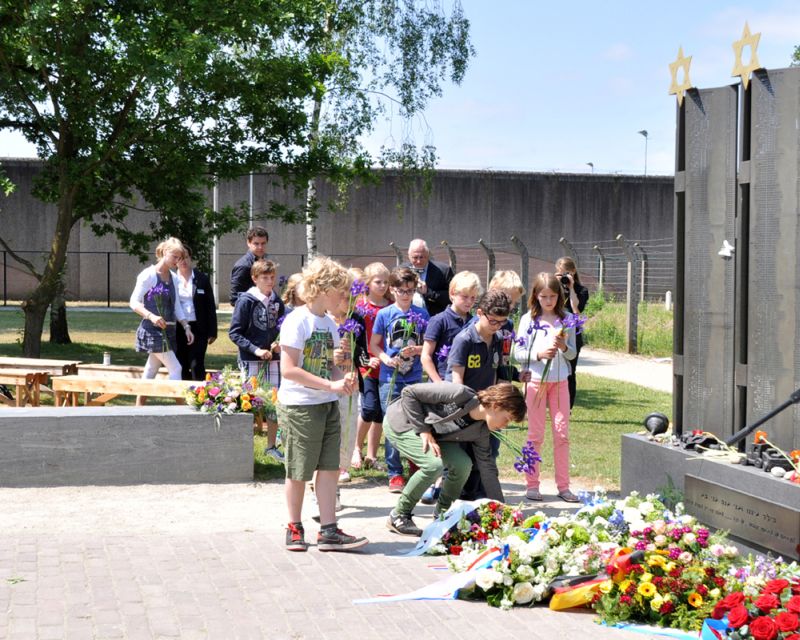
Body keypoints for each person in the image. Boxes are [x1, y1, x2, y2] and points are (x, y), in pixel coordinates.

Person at [278, 256, 367, 552]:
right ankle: (294, 527)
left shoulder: (329, 323)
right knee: (299, 470)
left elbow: (329, 366)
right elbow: (288, 369)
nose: (344, 297)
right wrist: (331, 384)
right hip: (300, 406)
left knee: (329, 467)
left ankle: (328, 530)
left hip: (327, 403)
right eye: (340, 291)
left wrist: (343, 378)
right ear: (322, 289)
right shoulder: (296, 320)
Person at [384, 381, 526, 536]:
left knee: (463, 464)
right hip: (404, 422)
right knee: (433, 465)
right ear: (496, 406)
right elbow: (409, 393)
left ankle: (443, 516)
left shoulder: (481, 431)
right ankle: (399, 515)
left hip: (433, 435)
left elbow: (488, 469)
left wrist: (502, 511)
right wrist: (423, 430)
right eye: (506, 419)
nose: (505, 426)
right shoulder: (459, 393)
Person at [447, 289, 528, 500]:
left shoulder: (499, 338)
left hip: (490, 410)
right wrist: (471, 408)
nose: (497, 327)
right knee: (464, 461)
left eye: (502, 322)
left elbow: (500, 370)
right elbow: (456, 381)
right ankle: (456, 502)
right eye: (493, 321)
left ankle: (484, 502)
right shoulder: (464, 340)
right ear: (480, 312)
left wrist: (506, 391)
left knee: (486, 457)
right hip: (466, 412)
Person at [512, 272, 578, 503]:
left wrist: (563, 347)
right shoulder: (528, 320)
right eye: (544, 296)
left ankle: (563, 485)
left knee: (562, 434)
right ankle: (532, 484)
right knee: (535, 434)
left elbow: (572, 354)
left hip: (560, 382)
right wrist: (538, 355)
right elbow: (516, 354)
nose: (548, 301)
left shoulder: (567, 318)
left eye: (552, 296)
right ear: (536, 296)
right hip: (536, 382)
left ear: (559, 296)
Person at [369, 267, 430, 493]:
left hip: (414, 377)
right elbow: (374, 344)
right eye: (402, 291)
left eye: (410, 291)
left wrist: (418, 349)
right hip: (390, 377)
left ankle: (416, 465)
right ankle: (394, 472)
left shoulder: (422, 314)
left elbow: (429, 345)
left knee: (416, 422)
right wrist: (385, 358)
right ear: (392, 290)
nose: (406, 295)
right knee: (392, 424)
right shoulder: (384, 314)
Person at [229, 259, 285, 461]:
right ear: (254, 278)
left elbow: (282, 327)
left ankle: (271, 446)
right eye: (265, 278)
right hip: (251, 360)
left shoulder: (277, 301)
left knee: (273, 404)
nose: (270, 282)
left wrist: (279, 344)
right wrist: (256, 350)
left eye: (272, 278)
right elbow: (234, 333)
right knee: (249, 403)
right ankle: (242, 449)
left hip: (273, 361)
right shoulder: (246, 300)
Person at [129, 238, 194, 405]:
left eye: (180, 258)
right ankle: (180, 410)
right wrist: (151, 316)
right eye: (174, 256)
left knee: (151, 369)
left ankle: (138, 408)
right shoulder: (148, 275)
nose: (177, 261)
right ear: (164, 252)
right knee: (176, 368)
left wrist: (186, 326)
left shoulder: (174, 278)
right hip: (152, 330)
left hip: (169, 331)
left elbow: (176, 305)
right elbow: (134, 302)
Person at [351, 262, 390, 471]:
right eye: (378, 282)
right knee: (368, 408)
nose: (382, 285)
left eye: (386, 281)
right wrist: (365, 360)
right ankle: (356, 447)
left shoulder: (391, 304)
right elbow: (356, 340)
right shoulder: (360, 308)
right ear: (368, 283)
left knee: (381, 412)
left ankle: (372, 455)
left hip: (387, 364)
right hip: (368, 365)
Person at [421, 271, 481, 383]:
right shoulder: (439, 320)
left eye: (473, 298)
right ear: (453, 293)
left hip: (468, 382)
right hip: (443, 381)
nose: (469, 302)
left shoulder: (476, 322)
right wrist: (438, 382)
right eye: (465, 297)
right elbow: (426, 356)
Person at [175, 249, 217, 381]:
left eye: (186, 257)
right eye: (180, 258)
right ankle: (183, 397)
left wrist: (212, 332)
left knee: (196, 363)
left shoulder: (201, 279)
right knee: (181, 363)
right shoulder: (171, 279)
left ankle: (199, 395)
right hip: (178, 328)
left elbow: (210, 306)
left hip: (199, 328)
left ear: (191, 258)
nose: (183, 261)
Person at [555, 257, 589, 409]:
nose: (563, 277)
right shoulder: (554, 289)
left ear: (573, 272)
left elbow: (576, 311)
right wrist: (555, 284)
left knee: (570, 372)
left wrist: (572, 287)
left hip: (572, 334)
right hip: (555, 331)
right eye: (560, 273)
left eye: (566, 273)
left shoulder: (582, 291)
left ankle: (567, 407)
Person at [400, 239, 454, 316]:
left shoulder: (444, 271)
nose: (418, 261)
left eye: (422, 257)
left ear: (428, 254)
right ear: (409, 256)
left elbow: (453, 296)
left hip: (435, 318)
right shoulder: (400, 271)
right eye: (415, 257)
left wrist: (428, 292)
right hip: (406, 318)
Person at [229, 226, 269, 306]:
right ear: (248, 243)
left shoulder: (265, 260)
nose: (260, 247)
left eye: (263, 243)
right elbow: (234, 298)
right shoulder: (243, 265)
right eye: (256, 243)